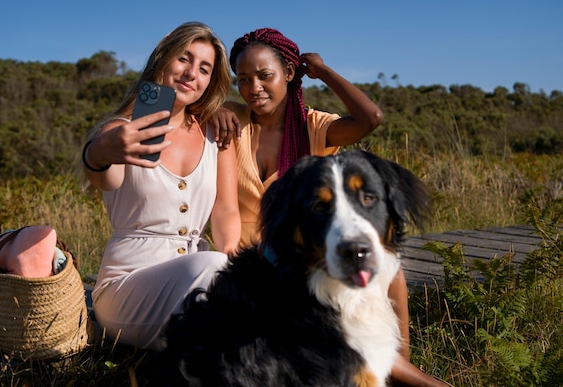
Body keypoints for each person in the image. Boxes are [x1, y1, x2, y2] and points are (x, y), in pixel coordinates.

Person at [212, 28, 450, 386]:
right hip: (251, 258)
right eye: (243, 79)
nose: (253, 88)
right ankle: (402, 376)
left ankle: (398, 361)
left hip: (307, 249)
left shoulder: (315, 126)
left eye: (265, 76)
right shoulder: (234, 120)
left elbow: (371, 118)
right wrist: (213, 108)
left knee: (390, 268)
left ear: (289, 74)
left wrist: (323, 72)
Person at [82, 21, 240, 349]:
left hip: (201, 279)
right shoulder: (121, 130)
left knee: (230, 277)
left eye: (204, 68)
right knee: (212, 270)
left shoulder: (217, 135)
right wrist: (101, 151)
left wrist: (234, 278)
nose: (191, 73)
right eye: (183, 59)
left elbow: (225, 212)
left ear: (211, 81)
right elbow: (104, 176)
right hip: (127, 288)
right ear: (162, 60)